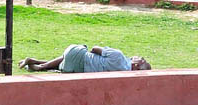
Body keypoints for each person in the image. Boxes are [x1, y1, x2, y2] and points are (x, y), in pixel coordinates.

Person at [19, 45, 151, 72]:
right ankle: (39, 65)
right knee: (66, 61)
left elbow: (95, 49)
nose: (139, 57)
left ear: (136, 65)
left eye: (141, 60)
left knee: (82, 50)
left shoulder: (119, 55)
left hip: (76, 53)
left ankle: (40, 65)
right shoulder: (123, 71)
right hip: (76, 68)